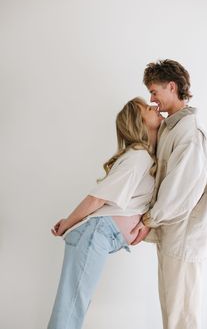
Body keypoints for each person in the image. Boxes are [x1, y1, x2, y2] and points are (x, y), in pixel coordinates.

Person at [47, 97, 163, 329]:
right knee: (72, 308)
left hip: (98, 235)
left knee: (72, 306)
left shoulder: (144, 157)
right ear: (138, 123)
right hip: (94, 233)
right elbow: (97, 199)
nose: (155, 108)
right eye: (148, 109)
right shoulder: (138, 157)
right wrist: (67, 224)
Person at [131, 59, 207, 329]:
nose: (152, 99)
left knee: (182, 318)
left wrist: (148, 220)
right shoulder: (170, 129)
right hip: (171, 237)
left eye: (154, 92)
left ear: (171, 86)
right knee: (172, 314)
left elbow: (179, 189)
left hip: (184, 239)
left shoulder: (189, 134)